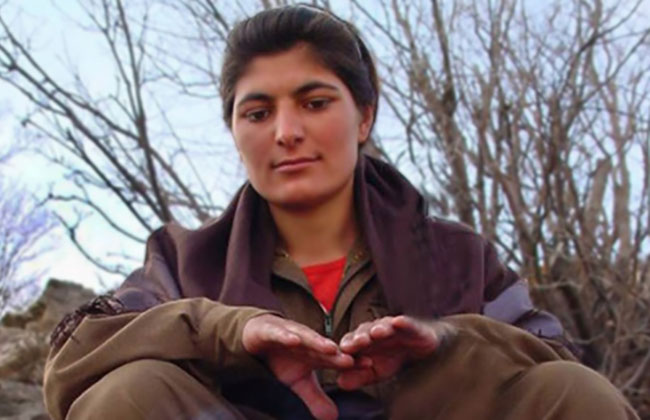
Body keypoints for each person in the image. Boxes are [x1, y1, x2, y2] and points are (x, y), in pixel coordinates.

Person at [43, 5, 639, 420]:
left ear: (364, 117)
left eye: (314, 102)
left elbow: (557, 355)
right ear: (235, 132)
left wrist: (446, 341)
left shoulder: (459, 257)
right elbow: (75, 361)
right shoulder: (184, 261)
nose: (286, 132)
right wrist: (230, 331)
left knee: (568, 391)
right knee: (126, 392)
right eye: (258, 113)